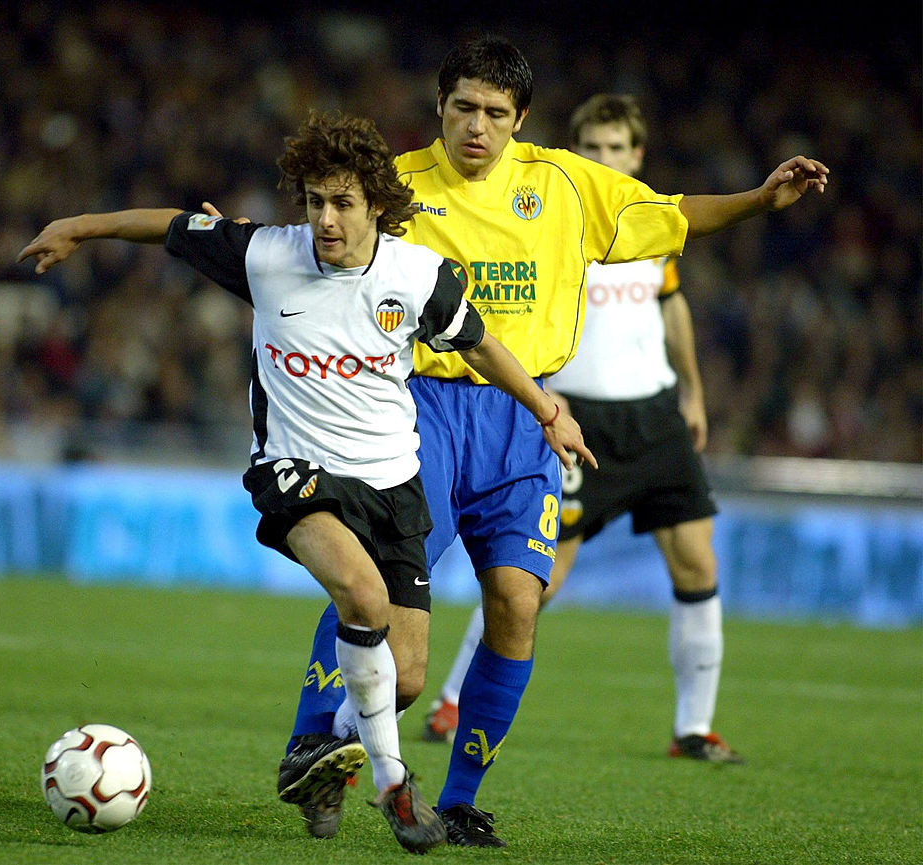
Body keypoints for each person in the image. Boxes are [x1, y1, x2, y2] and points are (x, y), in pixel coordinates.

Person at [275, 36, 828, 848]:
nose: (477, 127)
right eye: (463, 107)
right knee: (381, 600)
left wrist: (756, 199)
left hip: (525, 419)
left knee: (518, 603)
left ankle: (459, 799)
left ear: (521, 119)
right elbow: (315, 243)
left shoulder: (566, 183)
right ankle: (313, 740)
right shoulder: (394, 186)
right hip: (416, 407)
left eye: (496, 114)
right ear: (440, 107)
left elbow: (671, 214)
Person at [16, 109, 592, 853]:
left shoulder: (417, 276)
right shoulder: (265, 255)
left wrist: (548, 409)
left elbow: (482, 347)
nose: (325, 218)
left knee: (407, 676)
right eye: (315, 201)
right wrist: (79, 224)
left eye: (342, 202)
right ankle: (392, 783)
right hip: (298, 475)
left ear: (376, 207)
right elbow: (168, 226)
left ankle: (323, 756)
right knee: (361, 594)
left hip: (394, 484)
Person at [421, 92, 743, 764]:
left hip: (654, 415)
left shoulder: (646, 226)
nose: (605, 159)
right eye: (592, 149)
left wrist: (693, 390)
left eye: (616, 149)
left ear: (637, 155)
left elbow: (672, 307)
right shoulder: (557, 214)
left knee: (697, 559)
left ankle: (694, 727)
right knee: (537, 576)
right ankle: (453, 697)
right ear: (574, 153)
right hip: (574, 415)